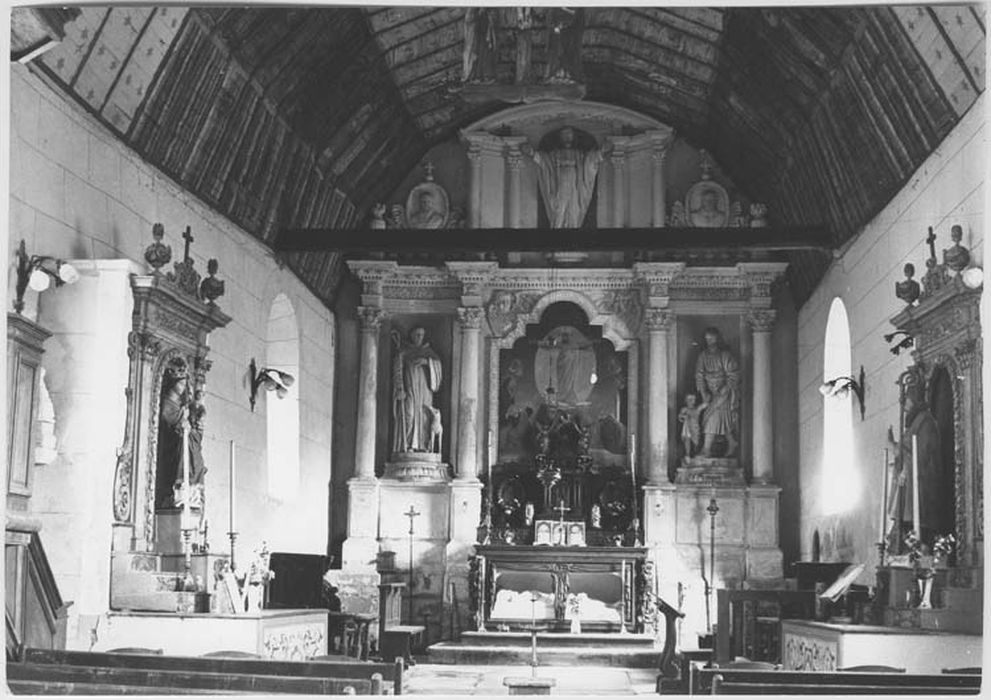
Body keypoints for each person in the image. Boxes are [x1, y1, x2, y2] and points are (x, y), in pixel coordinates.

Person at [523, 127, 605, 229]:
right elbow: (544, 162)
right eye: (564, 135)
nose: (567, 137)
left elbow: (589, 162)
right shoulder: (555, 154)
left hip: (574, 190)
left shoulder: (579, 154)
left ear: (573, 137)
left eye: (569, 134)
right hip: (559, 189)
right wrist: (532, 153)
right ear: (560, 138)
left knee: (574, 213)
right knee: (558, 213)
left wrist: (601, 152)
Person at [155, 361, 206, 509]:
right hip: (173, 442)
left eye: (184, 385)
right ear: (174, 383)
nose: (183, 388)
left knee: (196, 461)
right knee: (184, 454)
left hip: (184, 439)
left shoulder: (182, 404)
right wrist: (182, 417)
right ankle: (179, 492)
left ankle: (191, 492)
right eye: (181, 384)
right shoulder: (168, 402)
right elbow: (167, 418)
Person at [392, 327, 443, 453]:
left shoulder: (429, 353)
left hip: (425, 393)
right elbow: (397, 372)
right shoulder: (404, 352)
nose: (419, 337)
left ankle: (424, 446)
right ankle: (408, 445)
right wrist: (399, 388)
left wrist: (427, 362)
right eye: (417, 335)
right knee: (409, 415)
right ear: (412, 336)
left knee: (425, 416)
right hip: (409, 391)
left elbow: (438, 369)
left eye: (421, 335)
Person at [694, 327, 740, 457]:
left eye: (712, 338)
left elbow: (734, 374)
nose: (709, 341)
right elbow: (699, 375)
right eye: (707, 338)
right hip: (711, 392)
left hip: (724, 392)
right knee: (719, 419)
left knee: (711, 417)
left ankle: (707, 449)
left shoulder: (725, 355)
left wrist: (726, 387)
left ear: (718, 339)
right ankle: (731, 442)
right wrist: (703, 393)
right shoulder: (703, 356)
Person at [678, 393, 708, 459]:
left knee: (696, 441)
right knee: (687, 440)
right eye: (689, 399)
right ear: (686, 400)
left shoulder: (697, 409)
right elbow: (680, 417)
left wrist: (704, 394)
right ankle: (687, 454)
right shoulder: (685, 409)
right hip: (687, 427)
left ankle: (695, 453)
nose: (691, 401)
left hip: (695, 427)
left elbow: (705, 404)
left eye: (693, 399)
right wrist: (684, 417)